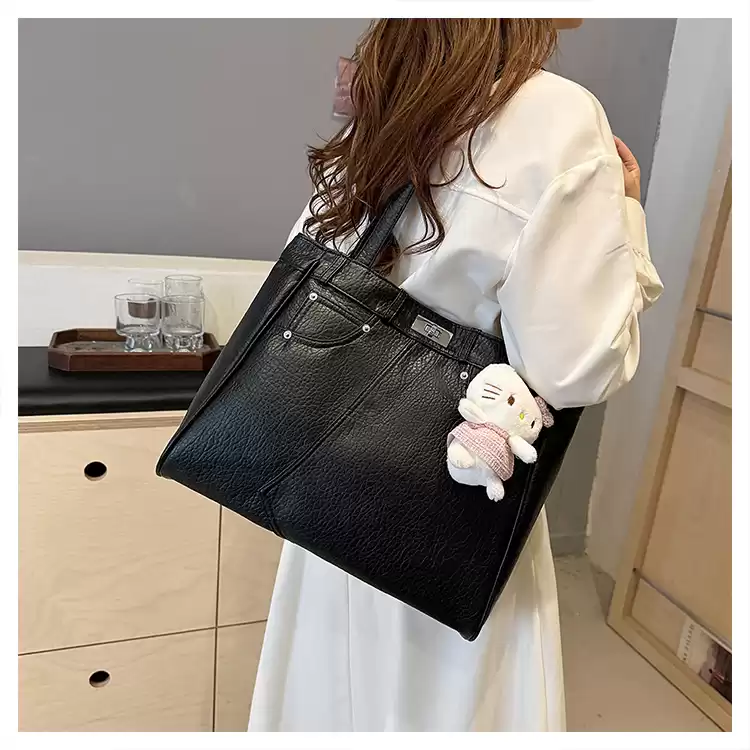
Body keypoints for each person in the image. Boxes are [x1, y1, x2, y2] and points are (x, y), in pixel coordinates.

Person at [249, 19, 663, 732]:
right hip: (450, 505)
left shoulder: (395, 90)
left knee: (329, 695)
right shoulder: (559, 117)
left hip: (326, 492)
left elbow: (309, 253)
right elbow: (573, 367)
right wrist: (625, 217)